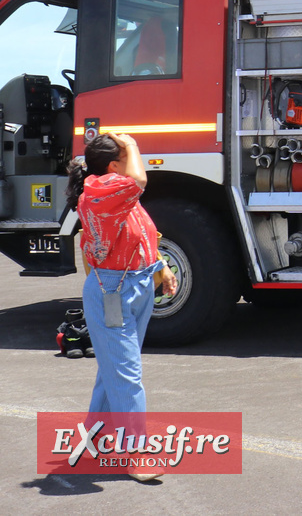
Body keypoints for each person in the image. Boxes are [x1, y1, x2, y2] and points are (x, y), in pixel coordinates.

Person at [69, 133, 178, 481]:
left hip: (133, 285)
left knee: (114, 369)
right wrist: (131, 143)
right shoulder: (101, 189)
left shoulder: (114, 191)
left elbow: (141, 232)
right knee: (126, 374)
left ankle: (93, 438)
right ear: (114, 166)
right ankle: (136, 454)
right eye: (126, 156)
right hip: (113, 290)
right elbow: (139, 181)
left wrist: (161, 267)